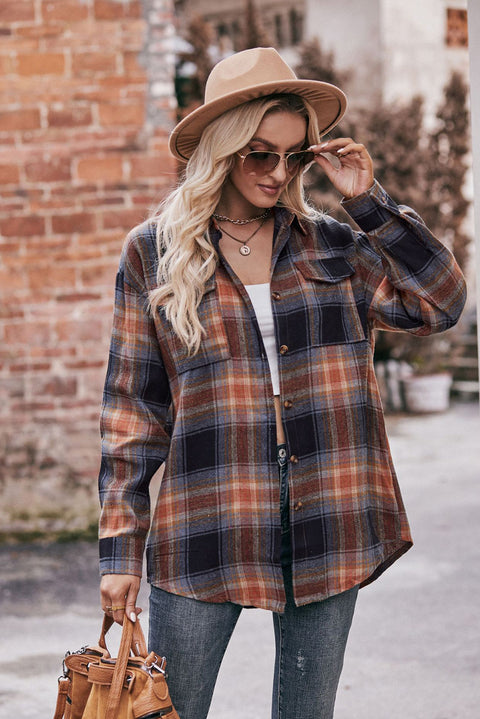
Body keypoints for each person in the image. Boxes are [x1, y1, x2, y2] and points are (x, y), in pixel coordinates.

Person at [98, 47, 466, 718]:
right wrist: (120, 550)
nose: (277, 172)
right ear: (221, 149)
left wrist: (369, 204)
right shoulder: (153, 252)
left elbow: (440, 303)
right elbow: (133, 410)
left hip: (328, 516)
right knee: (165, 710)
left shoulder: (334, 245)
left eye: (294, 157)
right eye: (259, 154)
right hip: (209, 519)